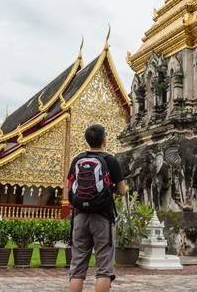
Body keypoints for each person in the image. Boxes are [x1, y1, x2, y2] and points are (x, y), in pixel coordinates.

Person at [67, 124, 127, 292]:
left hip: (79, 217)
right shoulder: (110, 160)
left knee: (77, 268)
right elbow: (122, 191)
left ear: (87, 140)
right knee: (104, 269)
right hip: (103, 218)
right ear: (104, 140)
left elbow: (69, 190)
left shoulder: (77, 160)